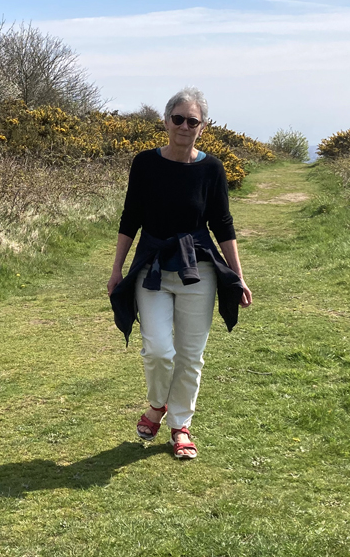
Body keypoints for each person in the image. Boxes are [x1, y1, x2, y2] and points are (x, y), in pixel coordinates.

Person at [108, 86, 252, 459]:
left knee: (191, 354)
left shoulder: (211, 168)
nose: (185, 126)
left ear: (202, 128)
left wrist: (237, 276)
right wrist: (116, 269)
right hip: (152, 268)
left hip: (197, 271)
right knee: (157, 350)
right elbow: (130, 218)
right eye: (178, 119)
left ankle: (179, 425)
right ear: (166, 121)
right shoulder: (144, 163)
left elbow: (223, 224)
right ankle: (158, 404)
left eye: (193, 121)